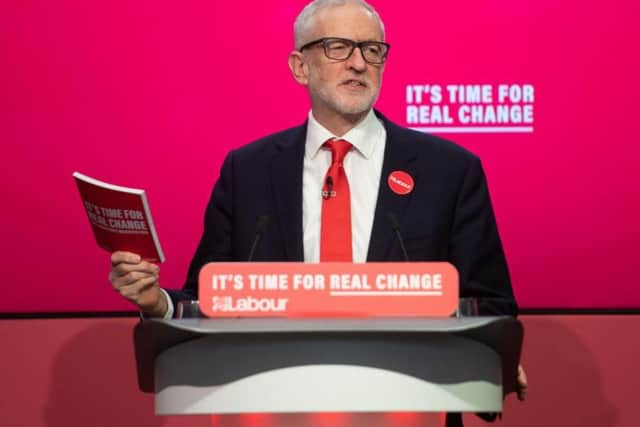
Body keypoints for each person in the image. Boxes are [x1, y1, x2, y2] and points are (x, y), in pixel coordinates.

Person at [109, 0, 527, 424]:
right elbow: (208, 298)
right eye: (338, 47)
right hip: (271, 408)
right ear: (299, 66)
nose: (359, 63)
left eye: (372, 50)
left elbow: (490, 305)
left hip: (407, 407)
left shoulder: (448, 170)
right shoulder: (249, 171)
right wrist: (157, 303)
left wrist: (485, 356)